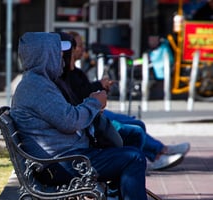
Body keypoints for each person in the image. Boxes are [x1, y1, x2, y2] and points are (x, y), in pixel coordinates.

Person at [11, 31, 179, 200]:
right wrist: (94, 104)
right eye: (56, 54)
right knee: (133, 158)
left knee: (131, 138)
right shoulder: (37, 87)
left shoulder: (40, 83)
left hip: (65, 156)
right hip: (63, 164)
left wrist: (90, 104)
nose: (62, 59)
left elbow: (66, 116)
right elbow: (70, 121)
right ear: (45, 56)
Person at [60, 31, 190, 171]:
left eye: (81, 45)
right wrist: (98, 91)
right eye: (78, 46)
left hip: (92, 111)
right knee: (135, 130)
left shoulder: (74, 71)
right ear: (68, 51)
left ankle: (155, 153)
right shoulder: (63, 74)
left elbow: (81, 92)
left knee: (136, 125)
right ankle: (156, 154)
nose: (82, 49)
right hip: (88, 116)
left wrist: (99, 89)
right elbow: (77, 99)